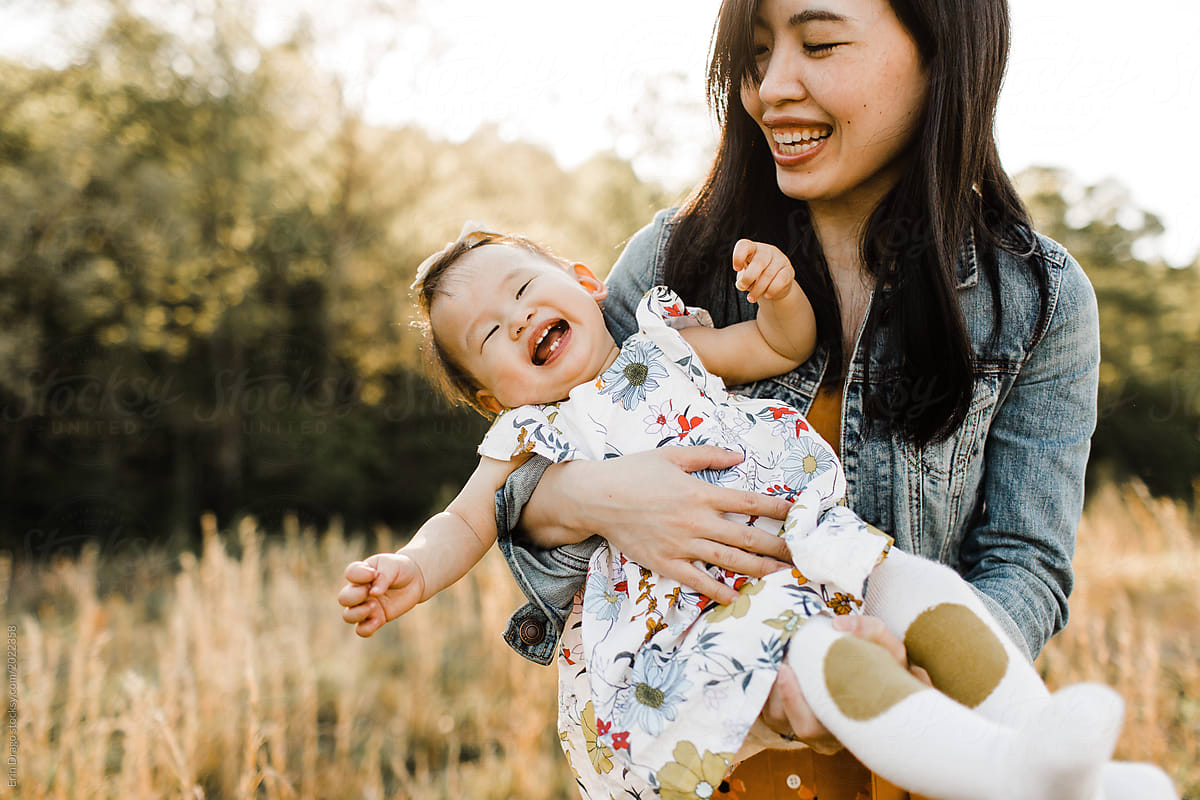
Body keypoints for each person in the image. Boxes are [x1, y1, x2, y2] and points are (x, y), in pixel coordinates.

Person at [477, 0, 1178, 797]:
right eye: (757, 52)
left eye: (820, 44)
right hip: (721, 767)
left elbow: (1025, 562)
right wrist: (603, 500)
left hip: (930, 765)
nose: (772, 87)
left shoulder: (1038, 299)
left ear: (941, 50)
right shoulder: (671, 266)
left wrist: (906, 680)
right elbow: (528, 478)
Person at [337, 227, 1167, 800]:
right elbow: (467, 521)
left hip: (815, 546)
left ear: (587, 286)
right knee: (813, 662)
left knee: (913, 585)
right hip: (698, 617)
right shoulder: (529, 435)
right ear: (492, 397)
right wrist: (408, 570)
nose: (516, 315)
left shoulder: (665, 345)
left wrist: (778, 294)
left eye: (523, 288)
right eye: (488, 333)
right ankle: (1009, 772)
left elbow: (779, 348)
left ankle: (1061, 772)